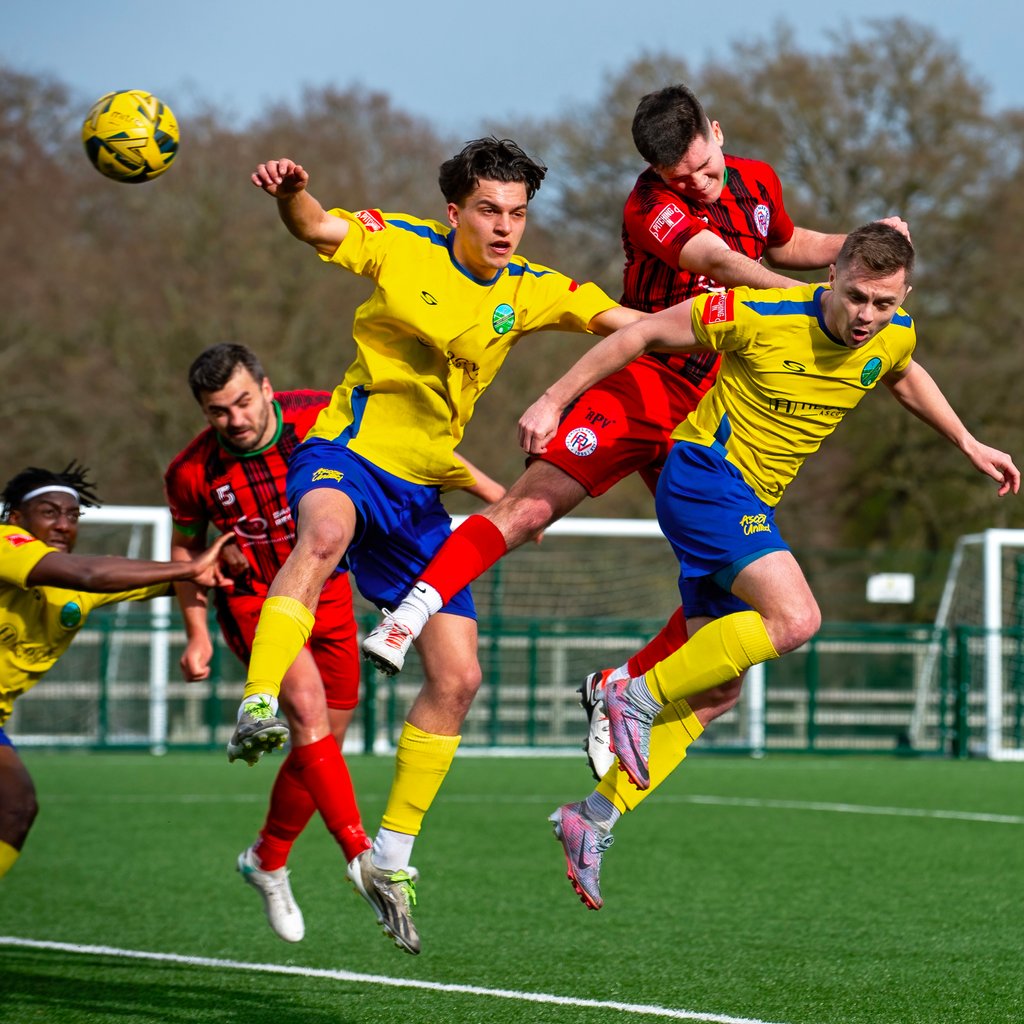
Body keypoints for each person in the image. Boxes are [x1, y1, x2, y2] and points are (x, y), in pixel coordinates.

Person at [362, 83, 908, 785]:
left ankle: (616, 691)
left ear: (717, 131)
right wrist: (809, 299)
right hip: (650, 381)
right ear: (658, 175)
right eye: (685, 180)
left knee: (727, 624)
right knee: (532, 506)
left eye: (708, 169)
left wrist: (868, 249)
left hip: (719, 419)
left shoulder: (758, 180)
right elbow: (718, 263)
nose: (704, 186)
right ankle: (411, 613)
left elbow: (794, 243)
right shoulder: (648, 206)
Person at [515, 222, 1018, 909]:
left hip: (748, 501)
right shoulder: (760, 313)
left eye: (886, 304)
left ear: (904, 298)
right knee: (796, 617)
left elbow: (902, 372)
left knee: (719, 693)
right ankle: (630, 691)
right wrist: (553, 399)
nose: (868, 317)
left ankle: (591, 819)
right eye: (858, 297)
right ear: (832, 274)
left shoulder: (892, 335)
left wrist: (967, 441)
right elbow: (641, 334)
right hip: (701, 475)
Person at [242, 138, 643, 954]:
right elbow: (317, 228)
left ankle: (391, 855)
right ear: (455, 210)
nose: (506, 228)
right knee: (320, 534)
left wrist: (732, 330)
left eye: (519, 213)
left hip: (423, 497)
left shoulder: (532, 289)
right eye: (490, 210)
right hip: (349, 457)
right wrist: (290, 193)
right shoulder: (403, 242)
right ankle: (257, 704)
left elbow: (627, 324)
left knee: (459, 678)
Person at [164, 342, 505, 944]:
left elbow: (410, 450)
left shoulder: (322, 417)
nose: (235, 419)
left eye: (243, 402)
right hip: (257, 600)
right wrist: (196, 633)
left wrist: (492, 492)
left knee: (322, 742)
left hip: (332, 594)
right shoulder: (191, 472)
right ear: (203, 412)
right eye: (218, 411)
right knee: (306, 713)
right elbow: (187, 552)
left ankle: (267, 859)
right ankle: (362, 860)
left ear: (267, 389)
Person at [0, 462, 232, 881]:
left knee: (16, 807)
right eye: (49, 512)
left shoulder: (76, 585)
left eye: (72, 516)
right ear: (16, 518)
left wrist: (230, 557)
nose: (63, 524)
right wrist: (188, 569)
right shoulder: (5, 542)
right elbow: (89, 572)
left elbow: (167, 580)